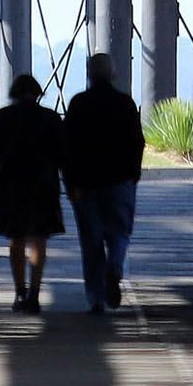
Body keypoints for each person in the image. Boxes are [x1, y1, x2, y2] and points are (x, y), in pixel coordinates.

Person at [61, 53, 145, 315]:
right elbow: (137, 142)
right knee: (120, 232)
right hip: (120, 180)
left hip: (86, 184)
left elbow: (67, 147)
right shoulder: (125, 104)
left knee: (91, 240)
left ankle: (96, 299)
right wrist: (134, 173)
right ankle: (116, 266)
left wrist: (70, 182)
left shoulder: (78, 104)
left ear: (88, 74)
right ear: (113, 74)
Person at [0, 74, 65, 314]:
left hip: (12, 187)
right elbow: (63, 154)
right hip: (44, 186)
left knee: (16, 238)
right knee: (39, 240)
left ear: (14, 93)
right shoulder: (51, 118)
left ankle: (20, 292)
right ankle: (35, 293)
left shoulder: (4, 116)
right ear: (38, 94)